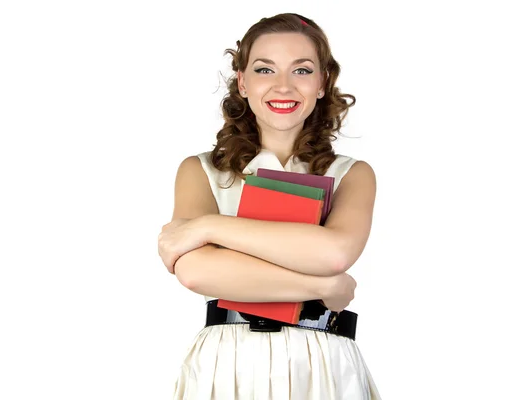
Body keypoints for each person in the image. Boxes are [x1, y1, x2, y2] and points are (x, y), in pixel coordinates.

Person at [158, 13, 381, 400]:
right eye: (265, 69)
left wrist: (208, 227)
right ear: (242, 82)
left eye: (302, 70)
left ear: (322, 83)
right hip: (228, 362)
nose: (283, 86)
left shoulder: (352, 174)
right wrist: (320, 286)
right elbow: (195, 272)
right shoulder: (201, 171)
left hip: (321, 360)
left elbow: (334, 252)